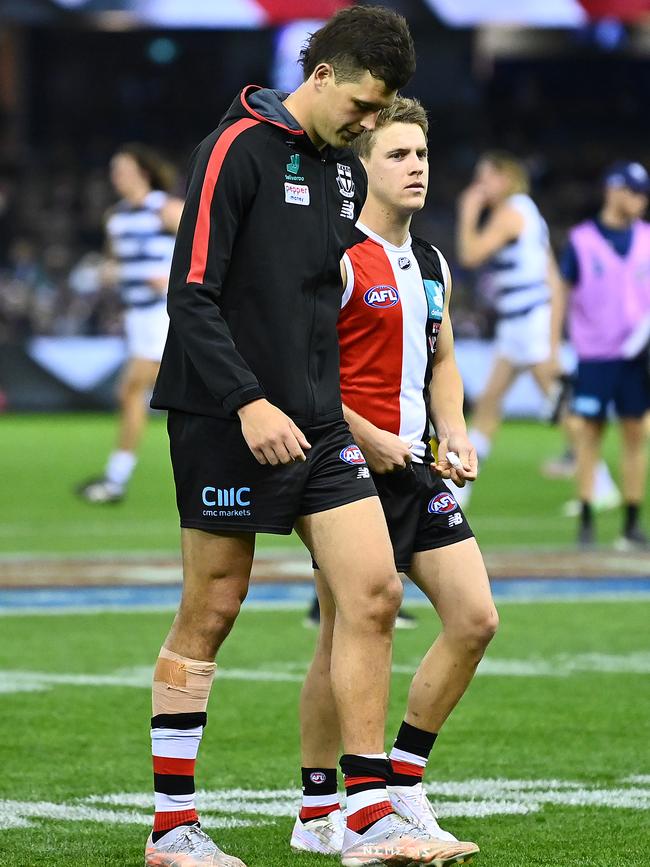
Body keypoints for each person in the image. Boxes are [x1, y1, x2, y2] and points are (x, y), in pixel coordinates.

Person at [146, 8, 476, 867]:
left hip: (320, 425)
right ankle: (172, 828)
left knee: (372, 593)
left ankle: (364, 815)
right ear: (323, 75)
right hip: (226, 416)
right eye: (366, 106)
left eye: (385, 114)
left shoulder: (337, 170)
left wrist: (349, 417)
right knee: (212, 609)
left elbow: (320, 306)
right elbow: (192, 296)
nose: (372, 124)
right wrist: (250, 401)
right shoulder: (234, 147)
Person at [289, 97, 493, 862]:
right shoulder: (335, 253)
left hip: (412, 465)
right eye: (397, 156)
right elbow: (301, 369)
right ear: (361, 167)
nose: (415, 168)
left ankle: (401, 785)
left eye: (422, 156)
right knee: (349, 624)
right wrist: (364, 433)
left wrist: (457, 431)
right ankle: (322, 811)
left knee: (475, 618)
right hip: (342, 467)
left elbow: (442, 360)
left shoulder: (434, 262)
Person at [76, 144, 183, 503]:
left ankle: (115, 480)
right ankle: (116, 479)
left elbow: (208, 247)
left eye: (121, 169)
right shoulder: (116, 217)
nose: (115, 177)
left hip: (163, 314)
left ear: (143, 172)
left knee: (133, 390)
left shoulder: (165, 209)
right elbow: (118, 262)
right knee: (149, 393)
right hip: (138, 316)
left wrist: (172, 279)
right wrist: (110, 272)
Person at [455, 151, 562, 508]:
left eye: (484, 177)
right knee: (490, 402)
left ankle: (597, 478)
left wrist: (468, 211)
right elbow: (551, 275)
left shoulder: (510, 213)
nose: (479, 185)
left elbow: (470, 255)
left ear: (505, 178)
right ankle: (463, 483)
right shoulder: (527, 211)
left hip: (528, 320)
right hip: (523, 321)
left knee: (559, 404)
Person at [556, 161, 650, 549]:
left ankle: (630, 522)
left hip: (637, 356)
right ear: (616, 191)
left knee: (636, 433)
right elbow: (562, 293)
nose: (641, 201)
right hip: (595, 354)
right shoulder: (582, 240)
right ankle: (588, 518)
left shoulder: (646, 237)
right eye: (636, 192)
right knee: (588, 434)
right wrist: (553, 346)